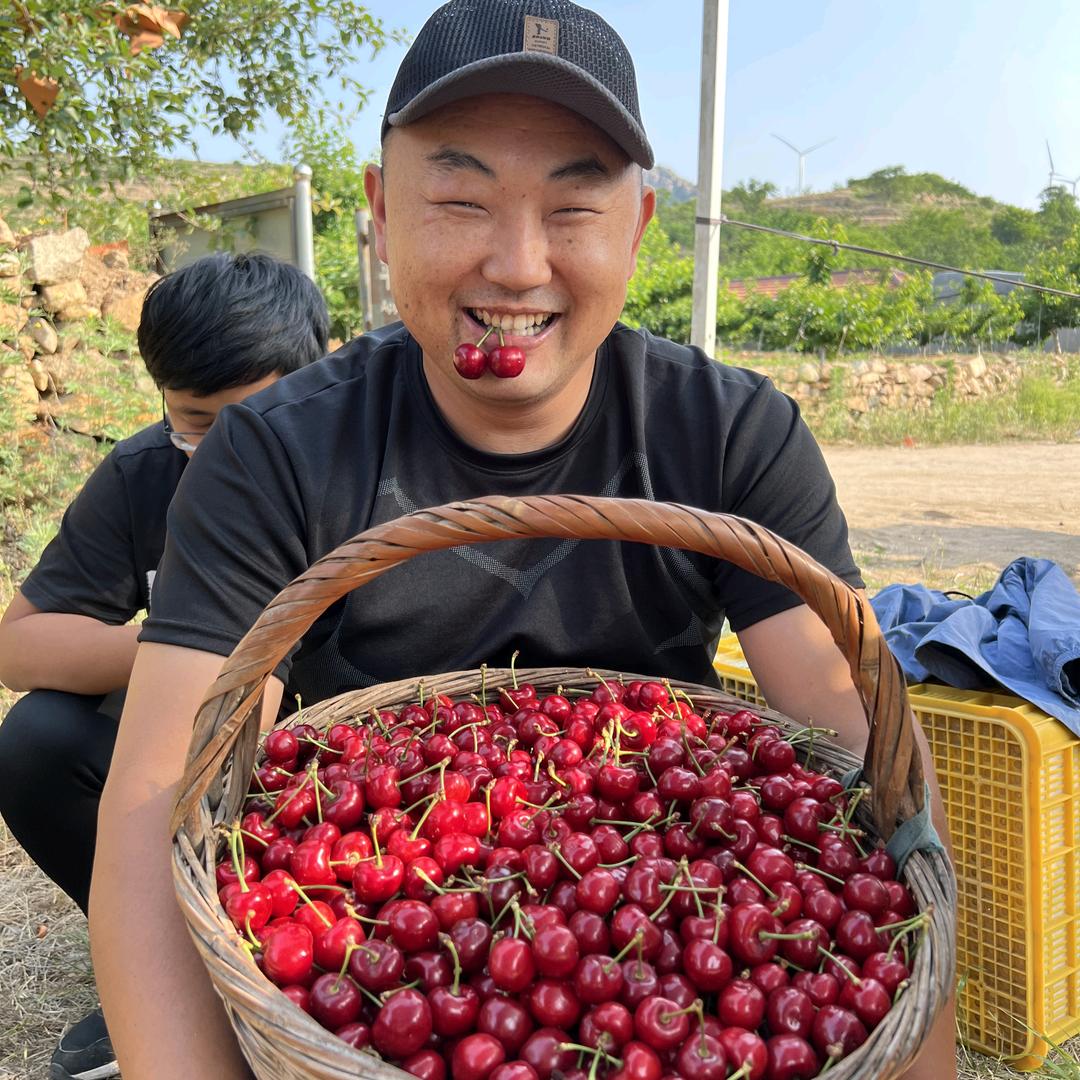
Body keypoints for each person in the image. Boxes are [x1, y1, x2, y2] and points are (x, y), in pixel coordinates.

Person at [90, 3, 957, 1078]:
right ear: (380, 212)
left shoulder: (730, 433)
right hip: (388, 931)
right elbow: (151, 814)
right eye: (458, 199)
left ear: (640, 224)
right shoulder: (273, 451)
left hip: (661, 881)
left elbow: (874, 776)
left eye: (573, 207)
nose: (515, 266)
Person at [0, 251, 329, 1080]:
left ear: (320, 379)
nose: (227, 453)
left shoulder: (359, 470)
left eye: (255, 419)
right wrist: (184, 649)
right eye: (196, 421)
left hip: (334, 779)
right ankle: (161, 970)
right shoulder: (147, 474)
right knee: (35, 738)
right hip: (197, 771)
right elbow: (19, 644)